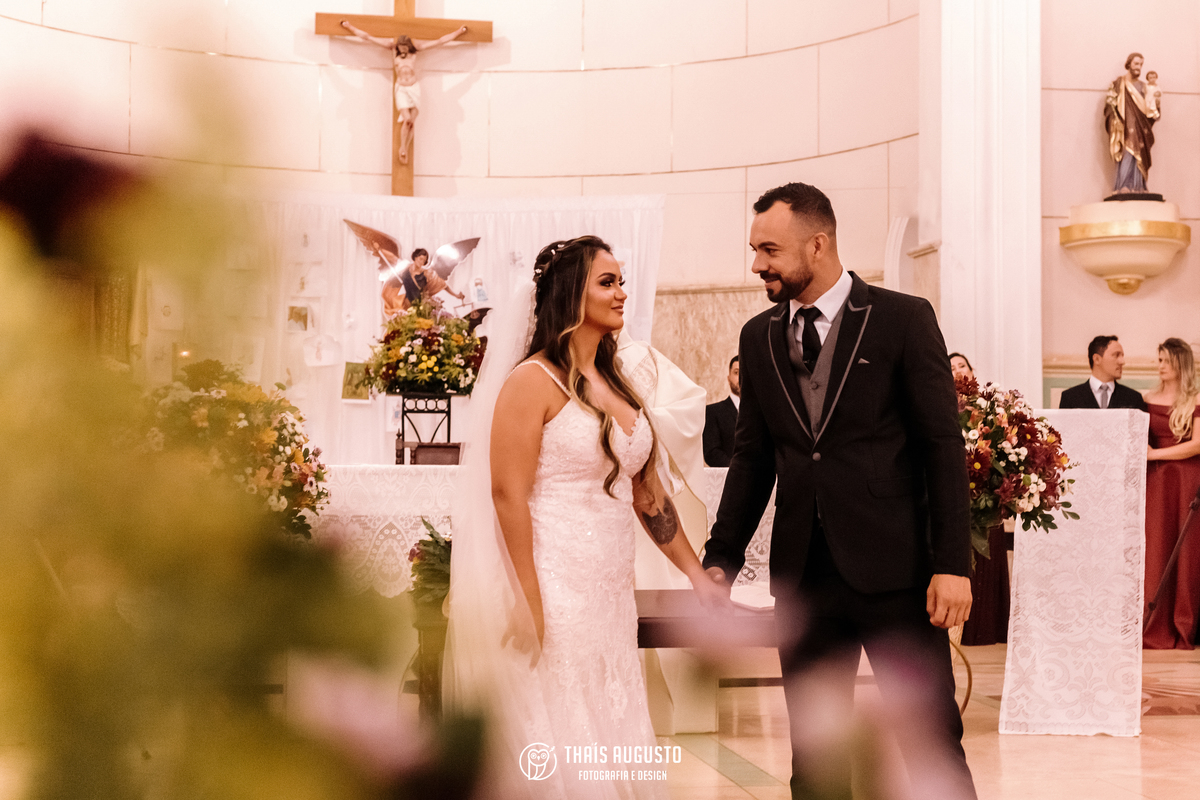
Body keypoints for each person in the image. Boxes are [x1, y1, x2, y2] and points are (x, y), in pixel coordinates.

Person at [701, 183, 976, 799]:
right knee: (816, 754)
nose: (756, 264)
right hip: (804, 581)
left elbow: (941, 446)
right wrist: (721, 557)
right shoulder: (758, 336)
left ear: (818, 245)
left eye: (769, 250)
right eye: (754, 249)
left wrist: (951, 565)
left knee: (930, 739)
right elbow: (752, 459)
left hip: (897, 577)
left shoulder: (903, 319)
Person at [444, 236, 727, 798]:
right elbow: (507, 494)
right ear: (572, 293)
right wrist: (528, 598)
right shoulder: (531, 382)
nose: (621, 293)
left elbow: (649, 495)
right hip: (552, 584)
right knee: (562, 726)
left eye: (621, 281)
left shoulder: (619, 382)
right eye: (607, 282)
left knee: (611, 712)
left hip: (609, 593)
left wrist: (696, 576)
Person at [340, 20, 468, 165]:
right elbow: (368, 37)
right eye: (401, 47)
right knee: (407, 119)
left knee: (411, 122)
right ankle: (402, 147)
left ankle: (405, 149)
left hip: (414, 88)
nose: (403, 50)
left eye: (405, 47)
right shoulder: (392, 50)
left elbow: (440, 41)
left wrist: (459, 32)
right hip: (401, 89)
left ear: (409, 46)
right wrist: (349, 27)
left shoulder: (415, 51)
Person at [1142, 338, 1200, 649]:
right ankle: (1153, 621)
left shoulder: (1195, 398)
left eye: (1166, 360)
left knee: (1186, 550)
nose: (1160, 366)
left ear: (1180, 363)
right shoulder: (1146, 398)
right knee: (1156, 547)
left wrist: (1155, 455)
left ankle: (1183, 623)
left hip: (1186, 479)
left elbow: (1197, 444)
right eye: (1159, 360)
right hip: (1156, 482)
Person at [1104, 52, 1157, 194]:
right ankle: (1124, 185)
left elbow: (1150, 110)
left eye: (1141, 64)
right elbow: (1110, 106)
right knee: (1127, 152)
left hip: (1141, 127)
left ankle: (1139, 186)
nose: (1138, 67)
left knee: (1140, 153)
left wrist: (1156, 104)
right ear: (1128, 64)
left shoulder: (1144, 87)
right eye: (1136, 63)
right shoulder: (1118, 84)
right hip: (1125, 127)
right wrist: (1115, 119)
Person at [1059, 335, 1148, 410]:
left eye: (1122, 356)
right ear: (1097, 359)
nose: (1122, 361)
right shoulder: (1070, 398)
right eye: (1116, 355)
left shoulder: (1133, 398)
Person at [381, 248, 465, 318]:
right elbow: (393, 258)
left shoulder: (427, 273)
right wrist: (379, 248)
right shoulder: (404, 269)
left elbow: (444, 285)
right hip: (407, 305)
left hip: (422, 306)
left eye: (424, 260)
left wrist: (456, 295)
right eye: (420, 259)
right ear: (415, 257)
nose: (421, 262)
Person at [703, 356, 740, 467]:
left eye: (745, 372)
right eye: (737, 372)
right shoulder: (713, 412)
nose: (741, 377)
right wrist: (739, 470)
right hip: (728, 475)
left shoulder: (762, 413)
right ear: (729, 378)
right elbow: (711, 452)